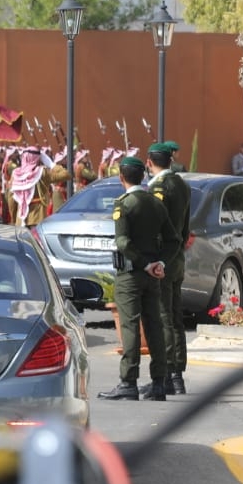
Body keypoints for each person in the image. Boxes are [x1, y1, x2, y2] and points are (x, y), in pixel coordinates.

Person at [98, 156, 181, 402]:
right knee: (154, 325)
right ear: (142, 176)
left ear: (121, 177)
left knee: (130, 326)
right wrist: (160, 263)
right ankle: (158, 382)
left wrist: (144, 264)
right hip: (153, 275)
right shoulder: (156, 204)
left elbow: (123, 242)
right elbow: (173, 240)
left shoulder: (124, 204)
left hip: (131, 274)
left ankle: (128, 382)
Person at [144, 142, 192, 397]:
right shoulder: (182, 184)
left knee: (162, 317)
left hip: (162, 259)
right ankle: (177, 376)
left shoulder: (158, 187)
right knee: (174, 317)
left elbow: (155, 226)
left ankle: (166, 374)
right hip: (177, 258)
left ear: (150, 163)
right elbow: (185, 225)